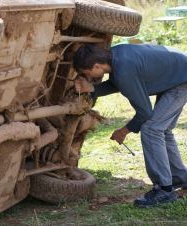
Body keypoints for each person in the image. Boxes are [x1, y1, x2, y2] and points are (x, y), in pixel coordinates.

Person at [73, 43, 187, 208]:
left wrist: (124, 131)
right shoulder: (116, 55)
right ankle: (179, 178)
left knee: (151, 129)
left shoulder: (124, 71)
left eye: (86, 73)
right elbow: (118, 83)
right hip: (178, 73)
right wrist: (92, 89)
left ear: (96, 66)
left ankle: (164, 189)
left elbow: (144, 112)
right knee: (163, 130)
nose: (88, 77)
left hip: (181, 80)